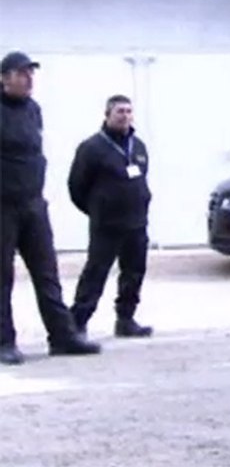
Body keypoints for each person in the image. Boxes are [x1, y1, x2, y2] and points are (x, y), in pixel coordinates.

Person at [0, 51, 102, 365]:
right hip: (2, 206)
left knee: (47, 273)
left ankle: (62, 336)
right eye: (21, 72)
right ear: (4, 78)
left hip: (33, 204)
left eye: (31, 72)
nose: (29, 78)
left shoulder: (33, 110)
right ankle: (4, 342)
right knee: (2, 276)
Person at [67, 94, 154, 339]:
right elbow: (77, 186)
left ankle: (126, 319)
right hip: (107, 224)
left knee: (134, 271)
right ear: (107, 115)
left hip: (136, 222)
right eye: (119, 112)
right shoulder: (92, 148)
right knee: (96, 272)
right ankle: (77, 322)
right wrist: (98, 209)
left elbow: (142, 175)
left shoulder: (137, 146)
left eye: (128, 111)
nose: (125, 116)